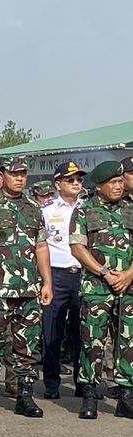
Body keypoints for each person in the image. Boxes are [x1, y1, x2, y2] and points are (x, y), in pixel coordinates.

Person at [0, 158, 53, 418]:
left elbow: (41, 247)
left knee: (27, 347)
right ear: (3, 175)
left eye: (23, 174)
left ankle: (24, 397)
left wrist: (46, 282)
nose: (19, 178)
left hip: (28, 290)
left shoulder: (33, 210)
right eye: (14, 174)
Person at [69, 160, 133, 419]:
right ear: (99, 186)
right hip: (96, 287)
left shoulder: (131, 209)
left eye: (120, 181)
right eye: (113, 183)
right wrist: (104, 272)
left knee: (128, 341)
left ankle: (126, 396)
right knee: (92, 340)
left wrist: (129, 274)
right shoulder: (84, 211)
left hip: (128, 287)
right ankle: (90, 394)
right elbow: (77, 247)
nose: (119, 186)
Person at [40, 162, 85, 399]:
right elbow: (41, 246)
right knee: (52, 330)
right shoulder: (47, 211)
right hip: (56, 274)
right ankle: (51, 382)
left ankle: (83, 381)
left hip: (83, 274)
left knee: (83, 332)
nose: (76, 183)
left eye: (79, 179)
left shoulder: (88, 209)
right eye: (71, 180)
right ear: (58, 184)